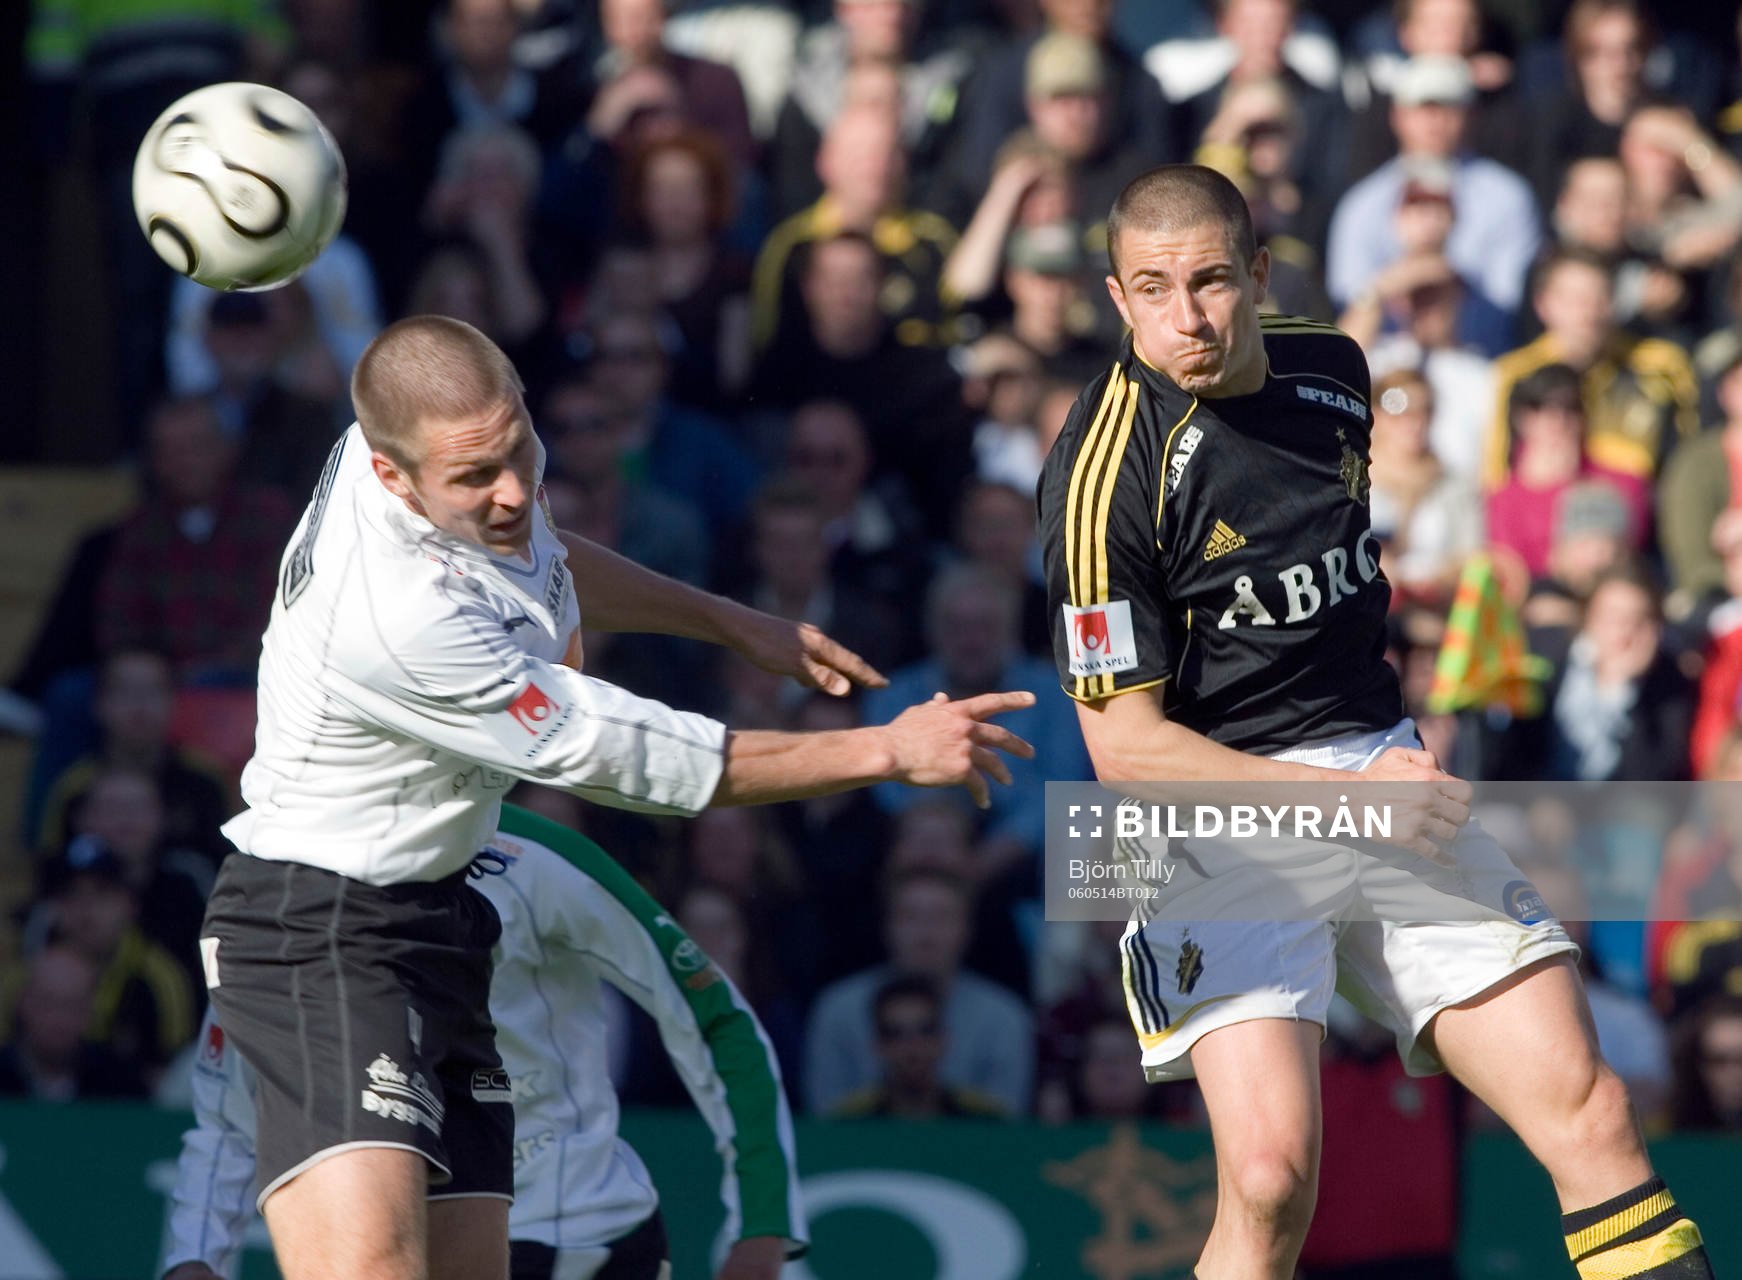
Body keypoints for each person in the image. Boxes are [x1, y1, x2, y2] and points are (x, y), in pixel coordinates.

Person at [198, 313, 1033, 1280]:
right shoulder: (401, 619)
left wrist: (732, 623)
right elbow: (652, 764)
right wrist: (887, 751)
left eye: (519, 450)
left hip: (437, 920)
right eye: (476, 478)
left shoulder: (415, 449)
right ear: (391, 477)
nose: (512, 491)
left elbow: (542, 558)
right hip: (316, 928)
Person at [1035, 164, 1715, 1278]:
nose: (1186, 316)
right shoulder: (1102, 477)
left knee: (1590, 1113)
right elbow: (1124, 752)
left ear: (1257, 272)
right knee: (1267, 1184)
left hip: (1371, 769)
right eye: (1152, 289)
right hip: (1207, 811)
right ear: (1115, 298)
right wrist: (1353, 803)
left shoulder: (1333, 371)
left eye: (1209, 280)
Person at [160, 805, 803, 1280]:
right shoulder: (277, 889)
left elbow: (716, 1016)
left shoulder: (538, 857)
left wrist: (764, 1224)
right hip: (386, 1243)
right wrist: (192, 1254)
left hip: (578, 1241)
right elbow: (230, 1103)